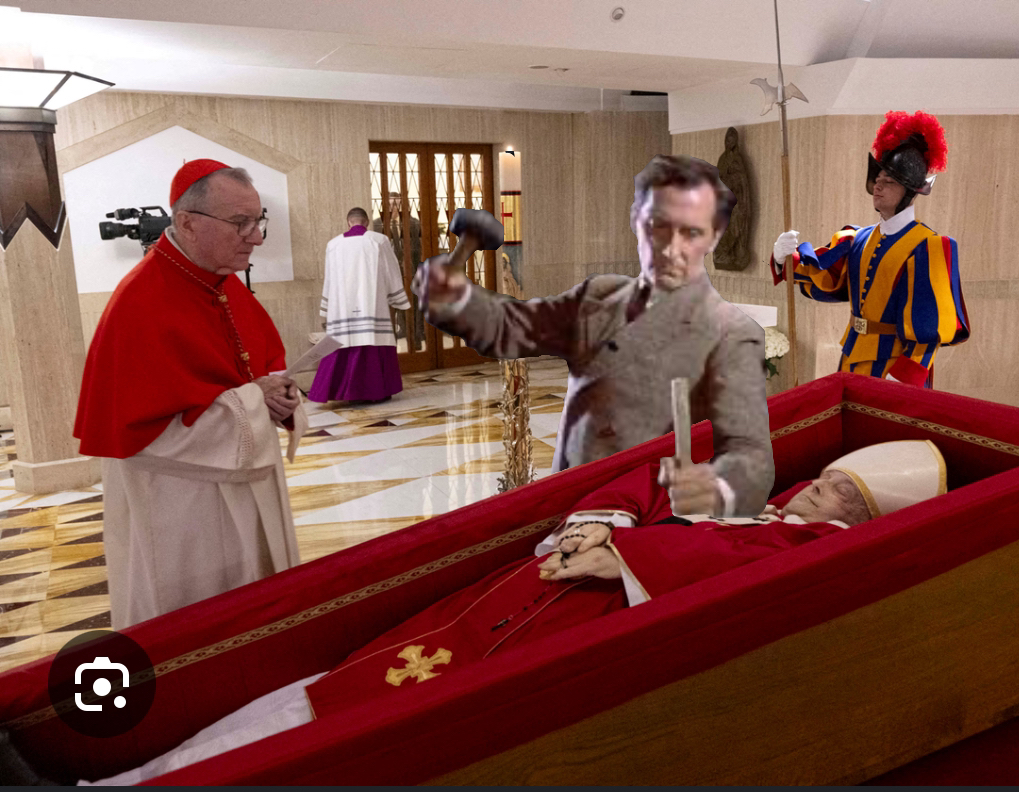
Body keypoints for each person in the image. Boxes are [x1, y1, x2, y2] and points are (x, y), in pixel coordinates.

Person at [56, 439, 942, 785]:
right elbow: (651, 478)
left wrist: (631, 556)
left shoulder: (816, 547)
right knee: (327, 685)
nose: (816, 490)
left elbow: (748, 570)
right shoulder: (762, 499)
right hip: (519, 596)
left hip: (565, 633)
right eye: (827, 477)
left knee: (349, 727)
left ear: (863, 520)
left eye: (840, 493)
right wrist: (605, 523)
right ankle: (140, 771)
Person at [414, 155, 774, 517]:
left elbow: (750, 457)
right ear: (636, 221)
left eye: (691, 231)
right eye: (658, 224)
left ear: (715, 236)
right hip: (569, 502)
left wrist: (714, 489)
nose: (670, 246)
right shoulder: (599, 297)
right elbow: (508, 327)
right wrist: (456, 297)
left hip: (643, 517)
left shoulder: (732, 333)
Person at [73, 159, 306, 630]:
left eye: (257, 221)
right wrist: (253, 401)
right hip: (183, 502)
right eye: (240, 223)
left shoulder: (223, 284)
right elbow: (144, 435)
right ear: (188, 222)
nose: (257, 238)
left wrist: (280, 397)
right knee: (201, 622)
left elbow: (260, 368)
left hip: (247, 482)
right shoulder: (139, 301)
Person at [770, 111, 970, 388]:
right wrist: (783, 259)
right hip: (851, 358)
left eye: (889, 181)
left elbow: (930, 327)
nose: (878, 185)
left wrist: (905, 376)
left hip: (894, 369)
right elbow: (826, 280)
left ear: (909, 192)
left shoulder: (929, 246)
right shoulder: (857, 238)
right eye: (878, 179)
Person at [309, 206, 411, 403]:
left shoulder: (333, 244)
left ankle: (342, 392)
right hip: (371, 302)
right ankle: (376, 391)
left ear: (349, 222)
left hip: (342, 305)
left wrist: (327, 305)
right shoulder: (379, 240)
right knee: (372, 340)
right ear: (367, 222)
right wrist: (397, 297)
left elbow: (329, 277)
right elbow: (391, 270)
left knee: (342, 342)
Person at [374, 192, 424, 350]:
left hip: (409, 272)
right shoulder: (376, 225)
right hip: (387, 275)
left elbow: (419, 248)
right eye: (390, 205)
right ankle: (391, 345)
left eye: (397, 205)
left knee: (411, 307)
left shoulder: (414, 224)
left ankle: (414, 341)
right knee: (390, 309)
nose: (394, 208)